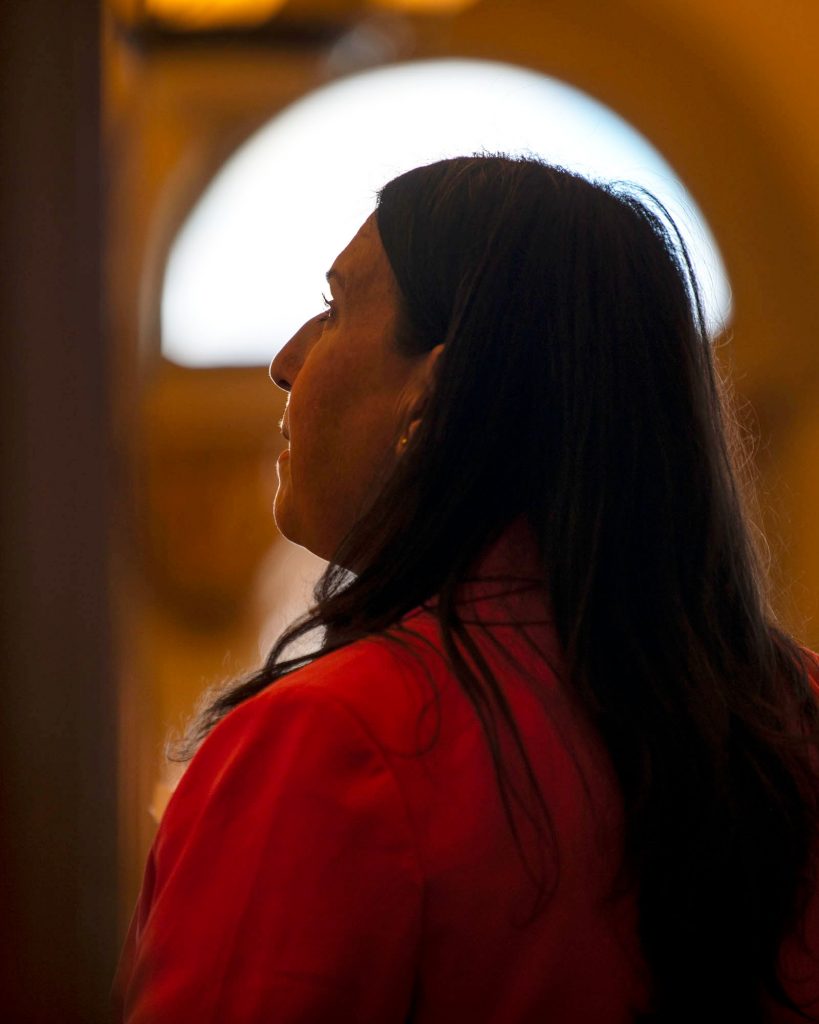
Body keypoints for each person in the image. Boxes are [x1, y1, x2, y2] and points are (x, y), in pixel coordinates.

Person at [115, 155, 819, 1023]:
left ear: (436, 392)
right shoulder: (800, 712)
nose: (286, 361)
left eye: (334, 310)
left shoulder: (332, 744)